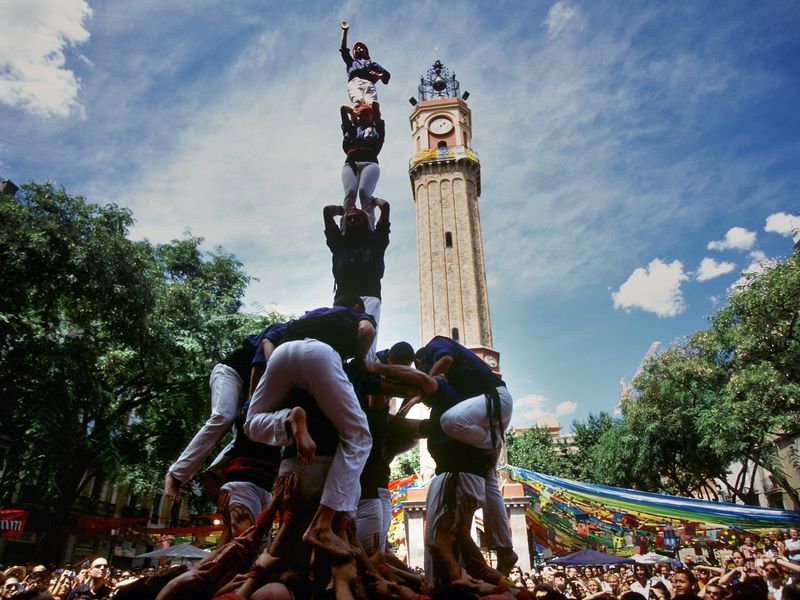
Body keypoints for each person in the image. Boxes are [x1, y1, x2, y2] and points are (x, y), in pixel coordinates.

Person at [244, 297, 376, 558]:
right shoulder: (354, 313)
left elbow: (267, 341)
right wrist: (361, 358)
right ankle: (323, 525)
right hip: (321, 355)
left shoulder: (306, 317)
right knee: (359, 436)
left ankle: (288, 419)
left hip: (283, 354)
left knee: (250, 422)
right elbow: (366, 331)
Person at [412, 335, 516, 574]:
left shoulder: (437, 345)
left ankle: (493, 441)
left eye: (424, 370)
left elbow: (444, 361)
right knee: (491, 485)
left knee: (451, 421)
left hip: (490, 409)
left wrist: (423, 386)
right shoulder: (461, 390)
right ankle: (505, 549)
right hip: (484, 422)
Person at [324, 199, 390, 356]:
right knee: (337, 339)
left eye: (357, 217)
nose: (352, 220)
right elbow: (327, 211)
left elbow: (385, 207)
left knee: (367, 336)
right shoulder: (338, 242)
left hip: (369, 295)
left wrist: (372, 201)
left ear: (366, 221)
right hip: (343, 298)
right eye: (349, 219)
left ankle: (365, 366)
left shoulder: (377, 241)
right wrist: (343, 209)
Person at [340, 102, 385, 231]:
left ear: (371, 116)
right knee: (350, 193)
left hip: (370, 163)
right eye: (360, 115)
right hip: (351, 163)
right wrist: (354, 112)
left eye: (366, 115)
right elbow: (343, 109)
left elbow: (376, 107)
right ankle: (345, 227)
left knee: (364, 192)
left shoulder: (377, 129)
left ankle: (369, 225)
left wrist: (370, 108)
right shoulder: (351, 130)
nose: (363, 117)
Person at [339, 20, 390, 106]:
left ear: (366, 52)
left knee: (371, 102)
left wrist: (380, 76)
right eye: (356, 48)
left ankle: (374, 113)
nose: (358, 48)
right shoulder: (351, 61)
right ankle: (356, 112)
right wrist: (345, 31)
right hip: (355, 81)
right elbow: (343, 48)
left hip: (369, 82)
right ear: (354, 53)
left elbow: (386, 74)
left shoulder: (372, 64)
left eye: (361, 47)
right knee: (358, 99)